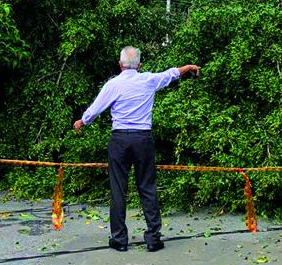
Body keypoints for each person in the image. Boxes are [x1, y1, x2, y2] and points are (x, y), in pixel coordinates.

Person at [73, 46, 201, 252]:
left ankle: (119, 240)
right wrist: (188, 67)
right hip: (143, 139)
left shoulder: (113, 84)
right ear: (140, 65)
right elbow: (171, 74)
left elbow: (95, 108)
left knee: (118, 189)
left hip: (120, 141)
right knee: (147, 187)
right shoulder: (148, 80)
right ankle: (153, 238)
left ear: (120, 65)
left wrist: (82, 122)